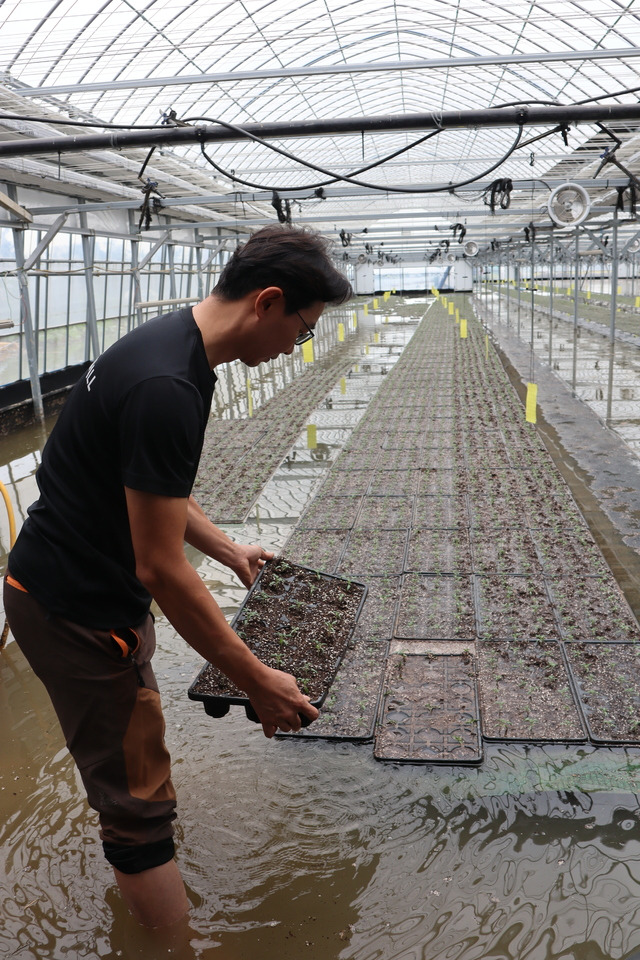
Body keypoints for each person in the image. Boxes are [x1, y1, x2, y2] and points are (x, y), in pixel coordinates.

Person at [4, 224, 353, 930]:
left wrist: (227, 550)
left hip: (62, 585)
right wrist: (258, 680)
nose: (297, 346)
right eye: (303, 329)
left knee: (133, 757)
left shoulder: (169, 347)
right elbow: (159, 568)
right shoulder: (169, 385)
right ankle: (171, 945)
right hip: (75, 611)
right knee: (138, 812)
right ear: (270, 302)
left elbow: (149, 488)